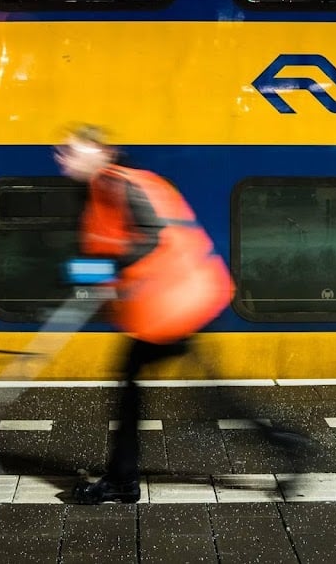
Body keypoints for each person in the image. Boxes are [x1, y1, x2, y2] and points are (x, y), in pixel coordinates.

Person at [53, 124, 235, 504]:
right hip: (177, 304)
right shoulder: (106, 189)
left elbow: (151, 237)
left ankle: (122, 480)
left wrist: (103, 273)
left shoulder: (117, 184)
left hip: (173, 308)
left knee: (136, 392)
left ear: (102, 151)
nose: (62, 158)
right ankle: (289, 445)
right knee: (203, 399)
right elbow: (110, 249)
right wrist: (87, 276)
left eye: (72, 150)